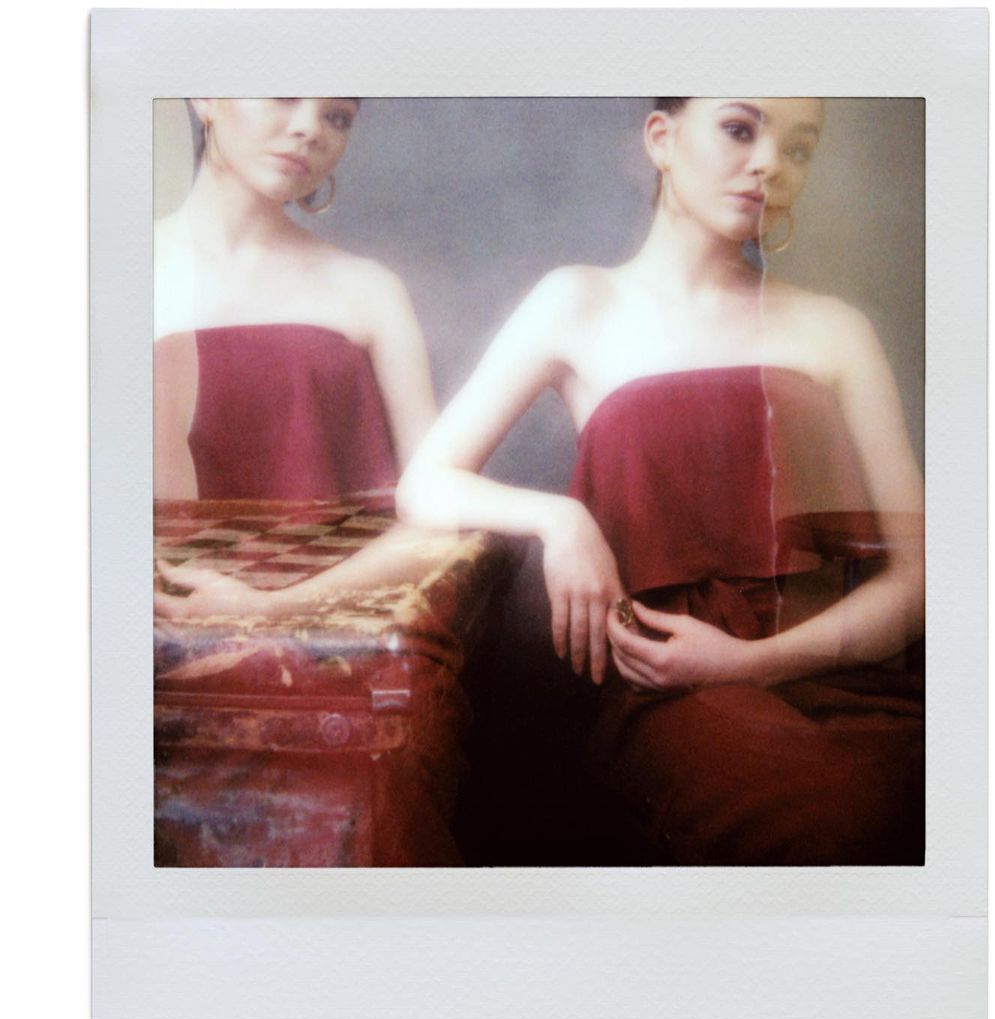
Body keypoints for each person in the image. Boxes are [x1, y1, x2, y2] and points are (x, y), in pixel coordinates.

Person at [392, 98, 926, 865]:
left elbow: (918, 578)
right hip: (669, 686)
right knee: (825, 822)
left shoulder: (837, 328)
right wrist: (562, 520)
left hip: (847, 669)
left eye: (799, 148)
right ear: (662, 139)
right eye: (740, 130)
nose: (771, 164)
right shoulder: (578, 301)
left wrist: (753, 661)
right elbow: (425, 485)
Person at [153, 97, 440, 616]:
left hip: (335, 638)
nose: (310, 129)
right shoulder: (100, 275)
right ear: (207, 98)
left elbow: (441, 522)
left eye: (337, 117)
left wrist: (275, 607)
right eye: (284, 95)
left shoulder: (370, 290)